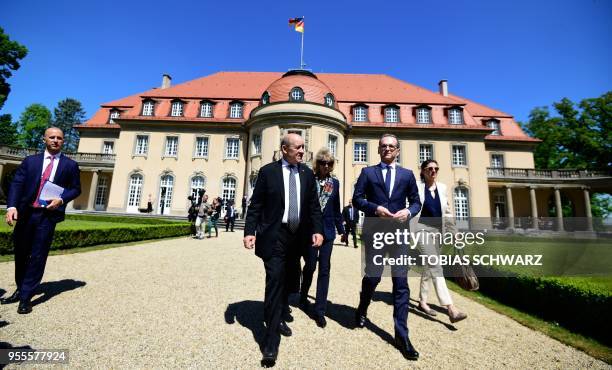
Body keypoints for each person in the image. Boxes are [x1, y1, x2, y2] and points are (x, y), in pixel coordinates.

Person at [243, 133, 323, 367]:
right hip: (275, 236)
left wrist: (318, 230)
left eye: (303, 147)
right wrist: (249, 231)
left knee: (289, 282)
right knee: (275, 281)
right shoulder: (269, 172)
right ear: (284, 149)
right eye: (297, 147)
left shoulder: (308, 174)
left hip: (297, 238)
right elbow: (256, 204)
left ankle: (276, 316)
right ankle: (270, 343)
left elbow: (313, 207)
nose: (301, 151)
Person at [353, 134, 421, 361]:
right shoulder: (367, 173)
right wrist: (375, 208)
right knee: (373, 277)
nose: (388, 149)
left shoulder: (407, 175)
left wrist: (408, 212)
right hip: (376, 232)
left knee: (401, 282)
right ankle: (362, 308)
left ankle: (402, 336)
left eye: (392, 146)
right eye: (384, 146)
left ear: (398, 150)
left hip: (400, 234)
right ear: (379, 150)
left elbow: (416, 202)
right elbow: (357, 199)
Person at [2, 127, 81, 314]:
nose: (55, 140)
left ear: (63, 141)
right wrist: (11, 207)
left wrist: (61, 199)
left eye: (59, 138)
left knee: (38, 255)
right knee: (21, 253)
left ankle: (25, 297)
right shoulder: (31, 162)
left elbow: (76, 189)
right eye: (52, 137)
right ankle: (21, 288)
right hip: (26, 213)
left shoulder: (70, 165)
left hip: (47, 215)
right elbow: (17, 184)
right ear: (44, 139)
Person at [415, 159, 467, 323]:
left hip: (439, 233)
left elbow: (448, 212)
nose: (433, 171)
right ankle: (451, 308)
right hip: (421, 231)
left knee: (430, 267)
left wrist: (454, 232)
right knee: (435, 265)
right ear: (423, 171)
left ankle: (422, 301)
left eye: (436, 168)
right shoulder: (417, 187)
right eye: (429, 168)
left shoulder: (443, 188)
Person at [300, 148, 344, 328]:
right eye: (323, 163)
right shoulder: (309, 179)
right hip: (310, 230)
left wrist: (342, 228)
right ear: (317, 164)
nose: (326, 166)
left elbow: (335, 207)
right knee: (310, 266)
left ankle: (320, 310)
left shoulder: (335, 183)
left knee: (325, 269)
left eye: (329, 163)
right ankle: (303, 295)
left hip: (327, 232)